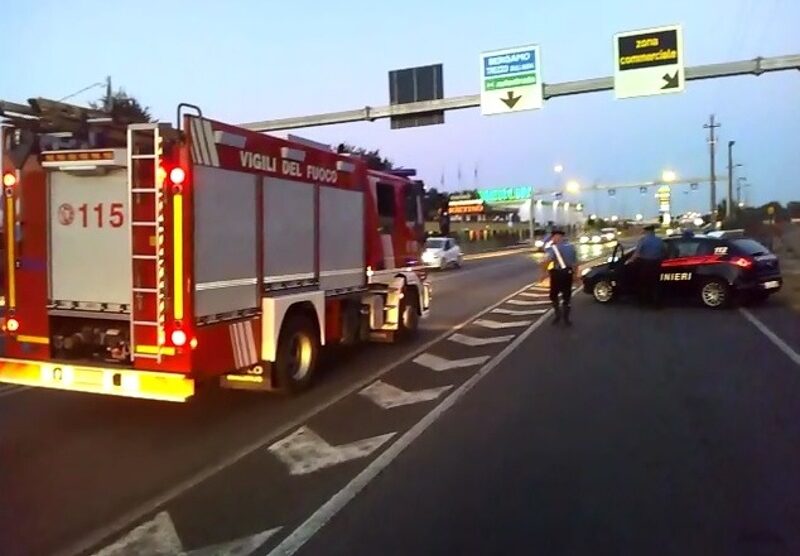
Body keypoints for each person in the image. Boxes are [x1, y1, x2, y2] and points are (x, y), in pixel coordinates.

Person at [541, 228, 578, 326]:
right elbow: (575, 263)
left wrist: (543, 274)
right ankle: (566, 319)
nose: (552, 239)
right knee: (567, 297)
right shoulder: (571, 247)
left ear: (555, 237)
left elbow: (547, 261)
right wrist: (575, 275)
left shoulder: (552, 248)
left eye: (553, 237)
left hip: (557, 275)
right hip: (568, 274)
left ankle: (558, 315)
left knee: (553, 295)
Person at [629, 224, 666, 307]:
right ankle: (656, 303)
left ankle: (643, 302)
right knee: (656, 284)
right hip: (656, 264)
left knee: (643, 283)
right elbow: (664, 252)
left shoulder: (643, 240)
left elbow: (636, 253)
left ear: (647, 231)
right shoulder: (659, 240)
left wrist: (630, 261)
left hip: (645, 264)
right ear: (653, 231)